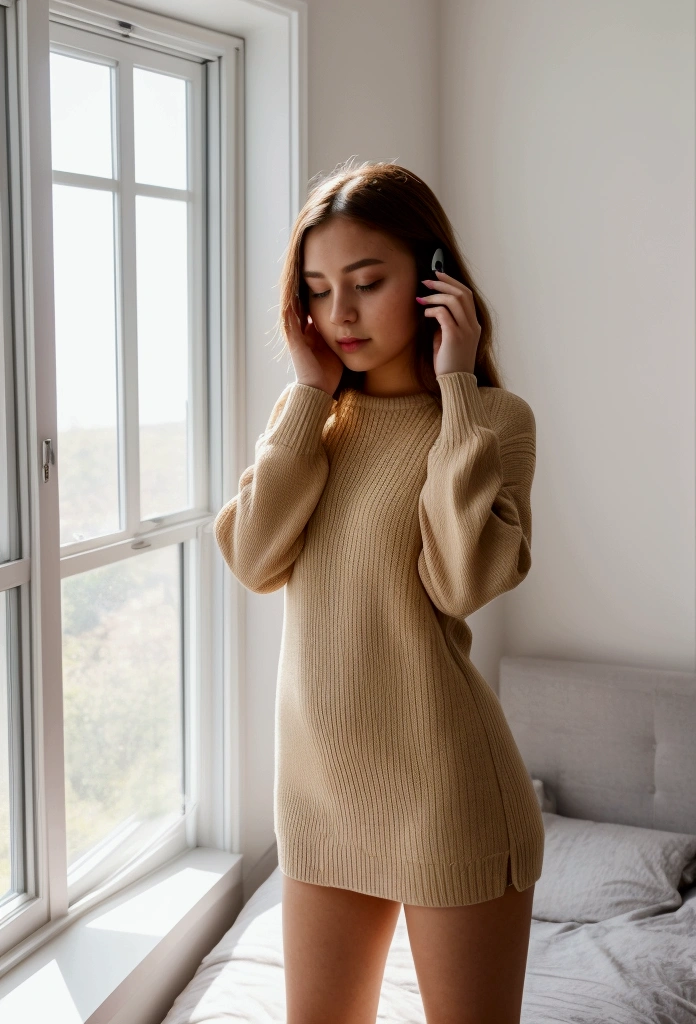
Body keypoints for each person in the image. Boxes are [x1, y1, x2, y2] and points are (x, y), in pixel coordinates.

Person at [214, 159, 545, 1024]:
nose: (341, 314)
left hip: (449, 795)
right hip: (321, 794)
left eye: (367, 282)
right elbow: (252, 559)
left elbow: (463, 578)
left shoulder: (491, 423)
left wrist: (458, 389)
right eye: (319, 290)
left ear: (436, 282)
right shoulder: (314, 426)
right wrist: (305, 396)